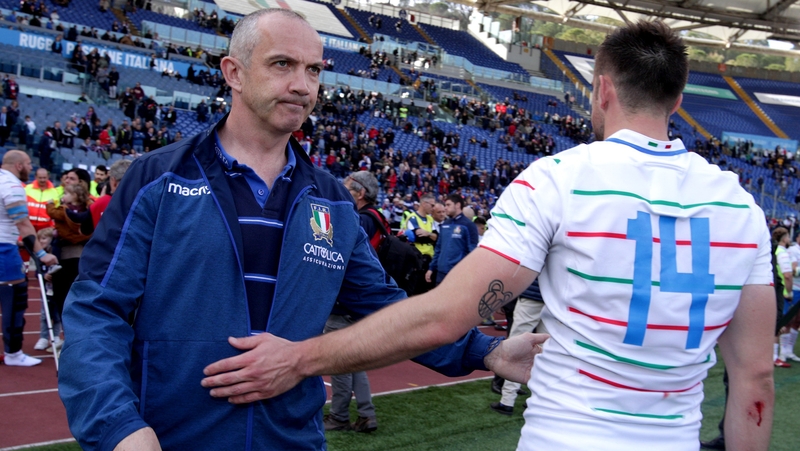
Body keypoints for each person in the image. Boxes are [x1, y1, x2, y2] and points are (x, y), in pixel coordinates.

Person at [245, 21, 776, 451]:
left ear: (604, 90)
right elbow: (754, 380)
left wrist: (299, 359)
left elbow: (442, 315)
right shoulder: (743, 208)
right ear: (678, 99)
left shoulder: (560, 179)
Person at [58, 10, 536, 451]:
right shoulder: (158, 179)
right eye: (283, 64)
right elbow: (96, 312)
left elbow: (386, 308)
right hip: (169, 439)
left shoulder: (331, 200)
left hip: (293, 441)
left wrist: (489, 351)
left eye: (314, 70)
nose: (303, 86)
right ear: (234, 73)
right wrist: (120, 427)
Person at [322, 172, 383, 433]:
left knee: (339, 362)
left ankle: (338, 416)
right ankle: (367, 414)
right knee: (354, 361)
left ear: (359, 192)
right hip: (361, 299)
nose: (341, 191)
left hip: (347, 300)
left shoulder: (361, 220)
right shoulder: (376, 219)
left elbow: (343, 256)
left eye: (346, 187)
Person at [0, 151, 57, 366]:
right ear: (18, 165)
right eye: (27, 164)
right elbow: (23, 224)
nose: (31, 168)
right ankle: (13, 353)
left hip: (6, 243)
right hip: (4, 248)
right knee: (15, 300)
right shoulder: (13, 186)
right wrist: (42, 254)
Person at [425, 193, 478, 286]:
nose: (445, 208)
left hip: (457, 274)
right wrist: (431, 268)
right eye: (445, 205)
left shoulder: (468, 225)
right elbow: (438, 248)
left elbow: (472, 252)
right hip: (440, 274)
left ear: (458, 205)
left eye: (448, 205)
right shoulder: (445, 224)